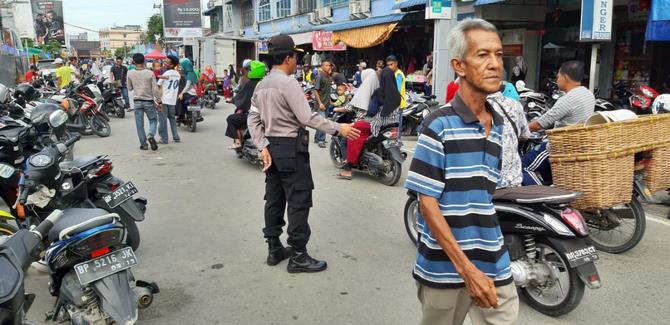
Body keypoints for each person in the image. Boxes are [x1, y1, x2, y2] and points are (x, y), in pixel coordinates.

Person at [404, 18, 519, 325]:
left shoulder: (499, 123)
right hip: (444, 268)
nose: (495, 64)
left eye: (499, 55)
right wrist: (467, 270)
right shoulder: (438, 125)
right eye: (483, 55)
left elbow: (483, 195)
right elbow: (426, 204)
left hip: (494, 260)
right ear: (459, 65)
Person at [247, 35, 360, 273]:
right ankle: (298, 256)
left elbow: (252, 118)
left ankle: (274, 248)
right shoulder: (288, 84)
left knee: (274, 198)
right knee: (298, 200)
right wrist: (339, 128)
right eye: (295, 56)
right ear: (288, 58)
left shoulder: (262, 84)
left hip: (271, 148)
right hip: (290, 148)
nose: (297, 61)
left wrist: (262, 146)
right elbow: (306, 117)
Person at [522, 60, 595, 186]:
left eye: (558, 76)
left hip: (557, 147)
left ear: (565, 77)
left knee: (520, 167)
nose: (557, 79)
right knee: (547, 173)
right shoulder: (588, 94)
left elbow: (540, 124)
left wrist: (517, 129)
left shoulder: (568, 99)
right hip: (574, 146)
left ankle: (541, 197)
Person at [335, 68, 380, 180]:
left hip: (364, 122)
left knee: (347, 137)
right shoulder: (379, 88)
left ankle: (348, 168)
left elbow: (349, 107)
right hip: (378, 122)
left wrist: (337, 109)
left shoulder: (364, 89)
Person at [489, 87, 530, 188]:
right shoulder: (516, 104)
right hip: (513, 180)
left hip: (486, 183)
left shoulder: (474, 107)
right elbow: (525, 135)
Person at [226, 60, 266, 149]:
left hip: (252, 115)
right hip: (266, 116)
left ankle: (237, 142)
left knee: (231, 119)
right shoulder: (264, 83)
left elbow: (242, 98)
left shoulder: (249, 83)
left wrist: (232, 100)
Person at [127, 53, 162, 151]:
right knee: (153, 120)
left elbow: (129, 88)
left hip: (137, 101)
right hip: (148, 101)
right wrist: (159, 102)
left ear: (133, 62)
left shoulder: (129, 73)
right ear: (144, 61)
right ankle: (150, 134)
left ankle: (144, 144)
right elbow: (155, 89)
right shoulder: (150, 73)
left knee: (139, 124)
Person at [157, 55, 181, 144]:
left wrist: (158, 99)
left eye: (167, 62)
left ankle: (164, 139)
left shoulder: (166, 73)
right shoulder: (177, 74)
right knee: (172, 119)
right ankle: (176, 136)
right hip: (172, 100)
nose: (164, 63)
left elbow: (158, 86)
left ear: (171, 65)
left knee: (162, 120)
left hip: (164, 100)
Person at [312, 59, 333, 148]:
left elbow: (327, 91)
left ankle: (317, 138)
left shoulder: (328, 76)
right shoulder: (319, 76)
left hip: (327, 103)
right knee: (324, 122)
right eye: (326, 65)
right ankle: (321, 140)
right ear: (322, 67)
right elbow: (316, 90)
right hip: (321, 104)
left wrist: (330, 102)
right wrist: (320, 103)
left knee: (322, 122)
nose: (328, 67)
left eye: (329, 65)